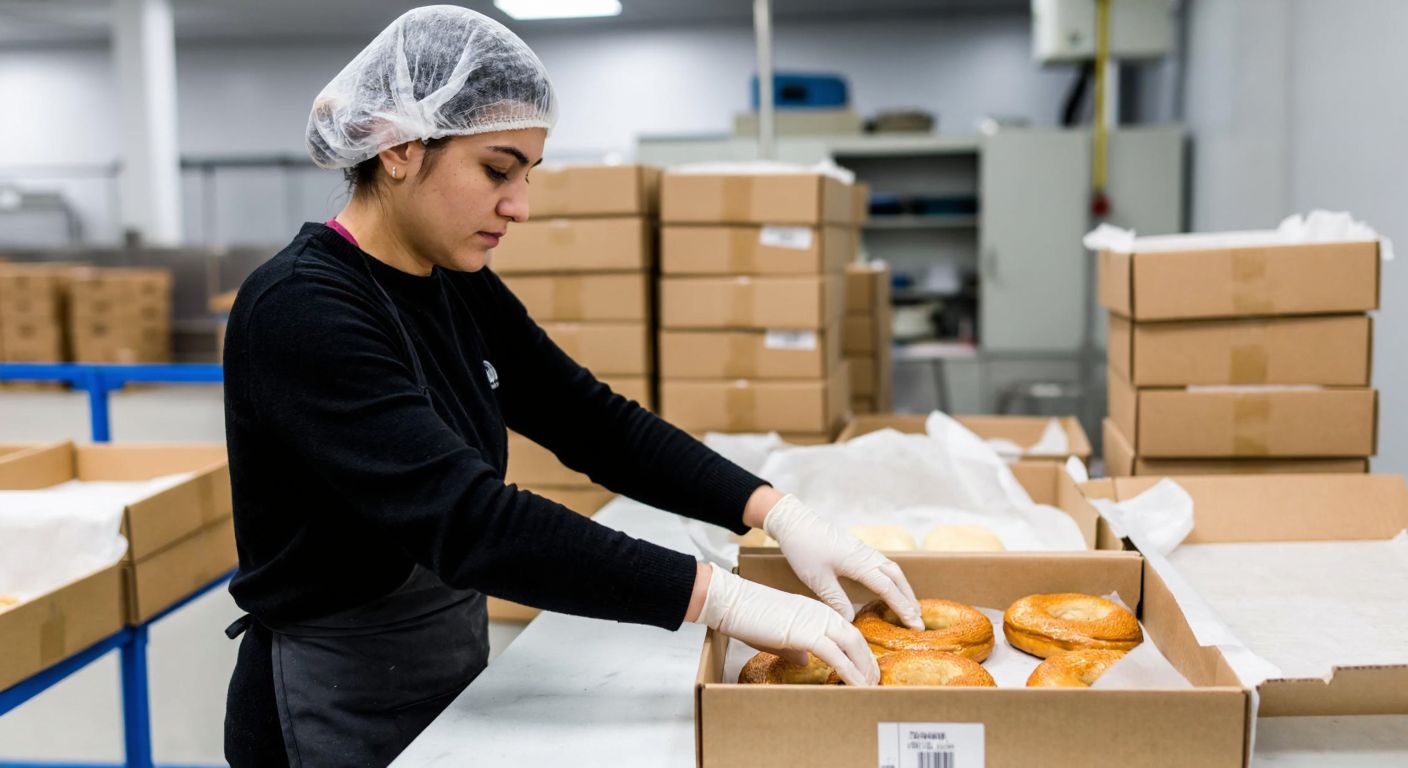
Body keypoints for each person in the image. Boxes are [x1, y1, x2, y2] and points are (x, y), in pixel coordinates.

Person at [221, 6, 923, 767]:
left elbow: (591, 421)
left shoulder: (454, 281)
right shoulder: (301, 309)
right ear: (396, 147)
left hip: (442, 653)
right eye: (496, 170)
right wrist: (719, 598)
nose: (519, 205)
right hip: (330, 694)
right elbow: (469, 521)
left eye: (527, 174)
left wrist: (772, 510)